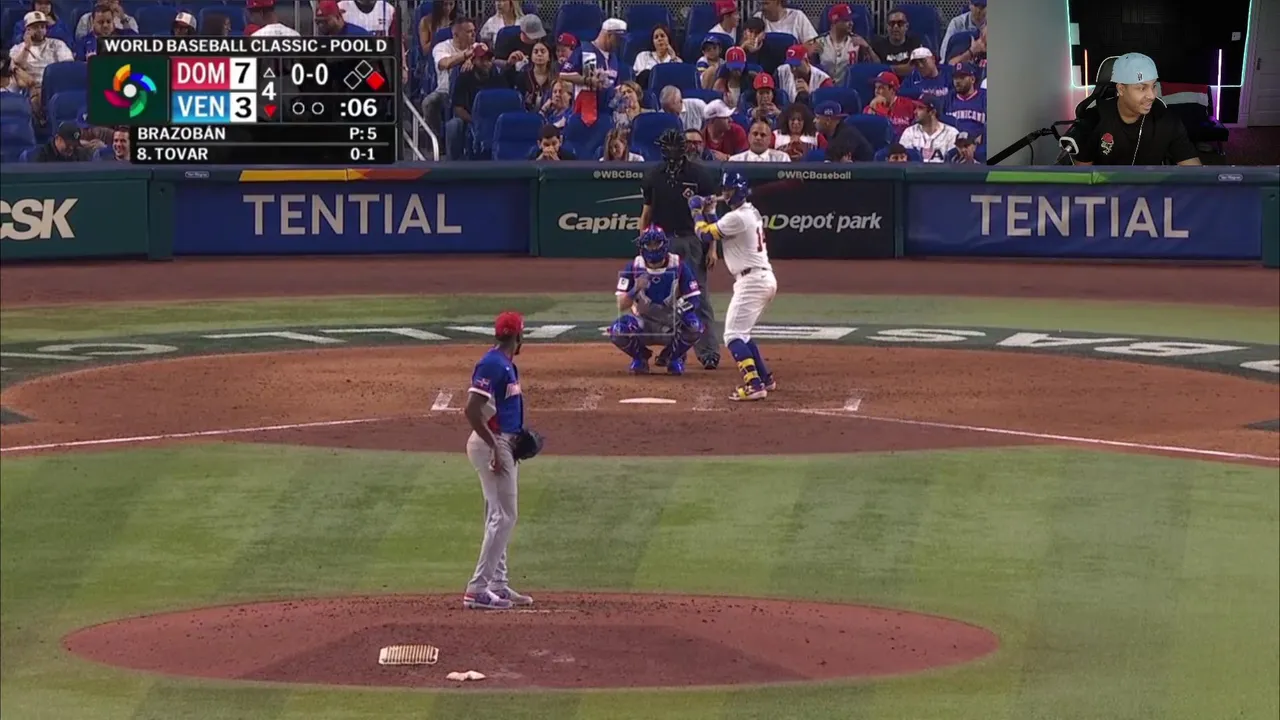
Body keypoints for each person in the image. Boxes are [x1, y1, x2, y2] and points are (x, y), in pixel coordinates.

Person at [461, 311, 534, 611]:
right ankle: (477, 589)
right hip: (493, 443)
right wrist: (494, 446)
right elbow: (471, 409)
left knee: (498, 513)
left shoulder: (505, 363)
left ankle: (497, 584)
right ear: (518, 336)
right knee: (504, 516)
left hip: (503, 442)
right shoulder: (493, 363)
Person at [690, 171, 778, 401]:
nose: (726, 195)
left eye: (729, 191)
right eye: (724, 191)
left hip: (752, 281)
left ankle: (754, 385)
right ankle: (765, 377)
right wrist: (710, 211)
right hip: (760, 278)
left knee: (732, 335)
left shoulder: (737, 217)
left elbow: (704, 234)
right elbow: (719, 229)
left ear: (739, 191)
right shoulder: (749, 212)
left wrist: (696, 211)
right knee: (743, 333)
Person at [639, 128, 722, 370]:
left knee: (698, 296)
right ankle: (675, 351)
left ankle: (708, 352)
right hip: (662, 241)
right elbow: (646, 213)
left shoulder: (699, 175)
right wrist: (642, 243)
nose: (673, 152)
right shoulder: (653, 176)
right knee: (665, 298)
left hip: (692, 239)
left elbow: (710, 213)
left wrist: (713, 248)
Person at [607, 225, 707, 375]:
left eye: (656, 244)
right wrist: (635, 289)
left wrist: (681, 310)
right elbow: (621, 304)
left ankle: (673, 357)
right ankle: (640, 357)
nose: (653, 248)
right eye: (649, 244)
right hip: (642, 321)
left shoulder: (678, 265)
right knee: (618, 330)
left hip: (670, 320)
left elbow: (694, 298)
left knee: (694, 326)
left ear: (664, 244)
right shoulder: (634, 266)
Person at [1071, 53, 1201, 166]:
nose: (1152, 95)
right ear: (1121, 89)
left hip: (1148, 186)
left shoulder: (1167, 120)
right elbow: (1082, 176)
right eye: (1142, 88)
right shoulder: (1094, 119)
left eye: (1153, 86)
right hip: (1106, 186)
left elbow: (1194, 171)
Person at [447, 43, 510, 160]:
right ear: (474, 60)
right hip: (469, 119)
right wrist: (475, 121)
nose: (486, 63)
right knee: (453, 125)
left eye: (488, 60)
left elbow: (506, 102)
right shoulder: (464, 78)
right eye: (482, 59)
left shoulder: (498, 78)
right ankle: (453, 163)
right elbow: (458, 108)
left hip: (494, 120)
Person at [8, 11, 72, 122]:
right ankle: (42, 123)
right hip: (32, 88)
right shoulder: (17, 48)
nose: (40, 30)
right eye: (35, 27)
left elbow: (67, 66)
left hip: (56, 86)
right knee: (36, 94)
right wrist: (27, 47)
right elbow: (17, 65)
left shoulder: (57, 44)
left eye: (42, 27)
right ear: (27, 30)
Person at [422, 16, 476, 138]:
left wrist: (472, 59)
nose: (473, 35)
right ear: (456, 35)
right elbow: (444, 64)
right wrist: (465, 56)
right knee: (428, 103)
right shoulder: (442, 47)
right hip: (445, 91)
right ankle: (437, 138)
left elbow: (488, 61)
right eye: (469, 32)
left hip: (470, 93)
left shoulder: (477, 46)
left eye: (474, 31)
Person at [814, 3, 874, 86]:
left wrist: (868, 48)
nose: (851, 23)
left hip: (849, 90)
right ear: (835, 22)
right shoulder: (818, 42)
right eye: (846, 20)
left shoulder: (858, 42)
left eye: (851, 20)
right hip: (824, 89)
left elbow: (875, 67)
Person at [898, 94, 958, 162]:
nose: (915, 112)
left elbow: (954, 163)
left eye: (920, 108)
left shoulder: (951, 133)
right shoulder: (909, 132)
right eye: (916, 107)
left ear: (932, 112)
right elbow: (902, 162)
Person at [871, 8, 922, 79]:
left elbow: (912, 69)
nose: (895, 27)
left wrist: (887, 68)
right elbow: (876, 70)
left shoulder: (915, 44)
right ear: (887, 27)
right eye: (892, 23)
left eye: (900, 23)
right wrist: (902, 68)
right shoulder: (877, 46)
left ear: (906, 26)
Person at [507, 39, 557, 112]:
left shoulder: (555, 77)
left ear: (549, 57)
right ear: (531, 57)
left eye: (543, 51)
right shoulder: (523, 76)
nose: (539, 54)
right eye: (536, 52)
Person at [863, 70, 916, 139]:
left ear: (893, 90)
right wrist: (872, 110)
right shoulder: (871, 108)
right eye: (876, 87)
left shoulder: (909, 105)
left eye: (881, 88)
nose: (876, 91)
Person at [946, 62, 985, 146]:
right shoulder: (948, 99)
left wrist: (984, 136)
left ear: (972, 79)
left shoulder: (985, 97)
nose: (957, 81)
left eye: (962, 77)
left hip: (978, 145)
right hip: (953, 146)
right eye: (955, 77)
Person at [632, 24, 679, 89]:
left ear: (668, 39)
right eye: (656, 37)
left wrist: (673, 57)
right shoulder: (643, 56)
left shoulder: (676, 60)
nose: (659, 39)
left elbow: (677, 79)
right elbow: (638, 78)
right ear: (653, 42)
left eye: (662, 36)